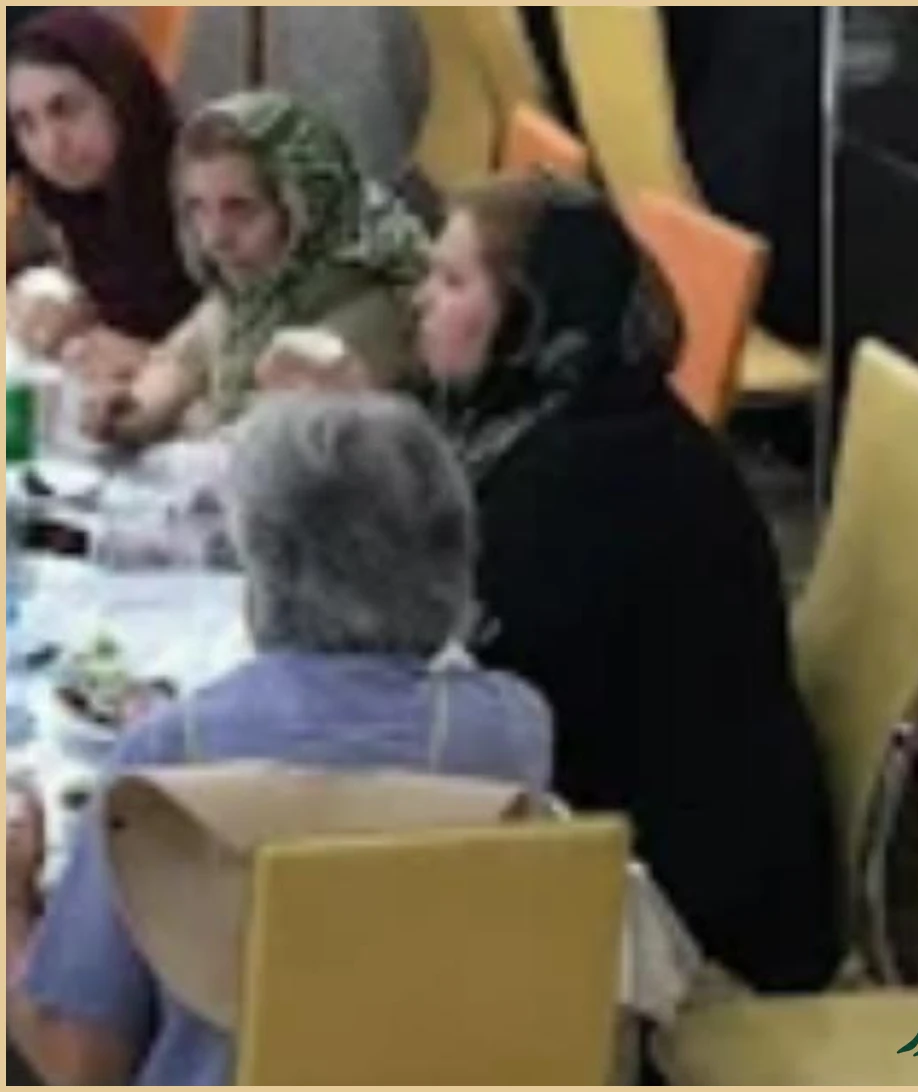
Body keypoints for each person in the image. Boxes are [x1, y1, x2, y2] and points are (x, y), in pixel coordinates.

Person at [6, 392, 552, 1085]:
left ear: (266, 561)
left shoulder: (172, 754)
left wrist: (12, 898)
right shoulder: (511, 731)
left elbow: (79, 1064)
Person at [414, 173, 841, 994]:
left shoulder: (580, 481)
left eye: (453, 282)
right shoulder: (577, 415)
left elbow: (492, 719)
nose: (422, 301)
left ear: (528, 319)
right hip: (680, 834)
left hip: (699, 913)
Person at [83, 90, 428, 449]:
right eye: (198, 208)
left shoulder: (371, 308)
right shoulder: (250, 291)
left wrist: (189, 419)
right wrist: (135, 411)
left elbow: (262, 439)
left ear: (304, 209)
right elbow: (184, 361)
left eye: (240, 208)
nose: (214, 238)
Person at [7, 8, 198, 369]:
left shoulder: (206, 195)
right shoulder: (78, 206)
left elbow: (265, 355)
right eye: (26, 124)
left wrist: (152, 361)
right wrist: (73, 309)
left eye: (66, 110)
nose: (50, 146)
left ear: (119, 97)